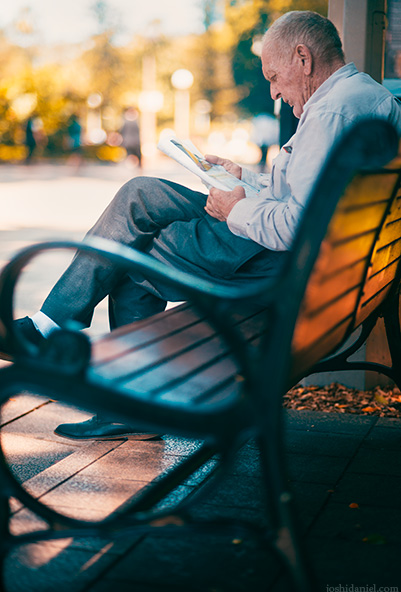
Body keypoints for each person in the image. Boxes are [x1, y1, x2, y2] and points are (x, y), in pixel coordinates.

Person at [2, 11, 401, 441]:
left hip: (277, 261)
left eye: (274, 76)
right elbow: (305, 194)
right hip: (327, 266)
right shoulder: (361, 97)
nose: (274, 91)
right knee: (141, 192)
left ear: (302, 58)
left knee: (133, 257)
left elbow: (294, 227)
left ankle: (118, 388)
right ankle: (51, 323)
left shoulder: (331, 115)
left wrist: (234, 210)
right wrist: (241, 176)